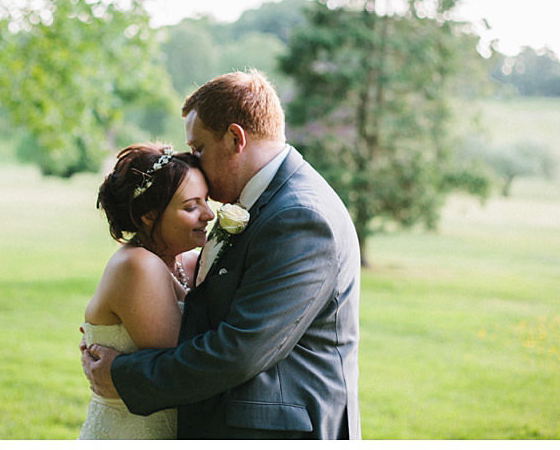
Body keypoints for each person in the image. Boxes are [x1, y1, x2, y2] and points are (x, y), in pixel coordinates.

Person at [83, 70, 361, 439]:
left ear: (234, 138)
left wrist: (122, 374)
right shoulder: (271, 203)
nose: (194, 162)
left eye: (198, 149)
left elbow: (241, 349)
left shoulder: (298, 215)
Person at [77, 143, 214, 439]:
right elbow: (182, 367)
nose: (209, 214)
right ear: (149, 216)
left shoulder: (186, 262)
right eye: (191, 206)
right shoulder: (137, 266)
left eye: (206, 200)